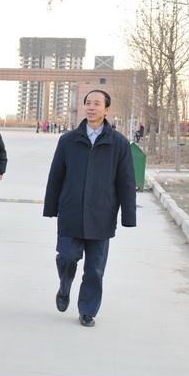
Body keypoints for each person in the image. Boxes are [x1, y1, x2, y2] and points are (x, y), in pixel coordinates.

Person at [43, 89, 136, 327]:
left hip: (101, 215)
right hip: (71, 212)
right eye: (88, 103)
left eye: (97, 103)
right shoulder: (68, 140)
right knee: (66, 257)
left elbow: (126, 181)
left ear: (107, 109)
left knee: (95, 269)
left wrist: (128, 215)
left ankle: (87, 310)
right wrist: (51, 207)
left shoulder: (118, 143)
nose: (91, 107)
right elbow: (56, 176)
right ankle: (65, 287)